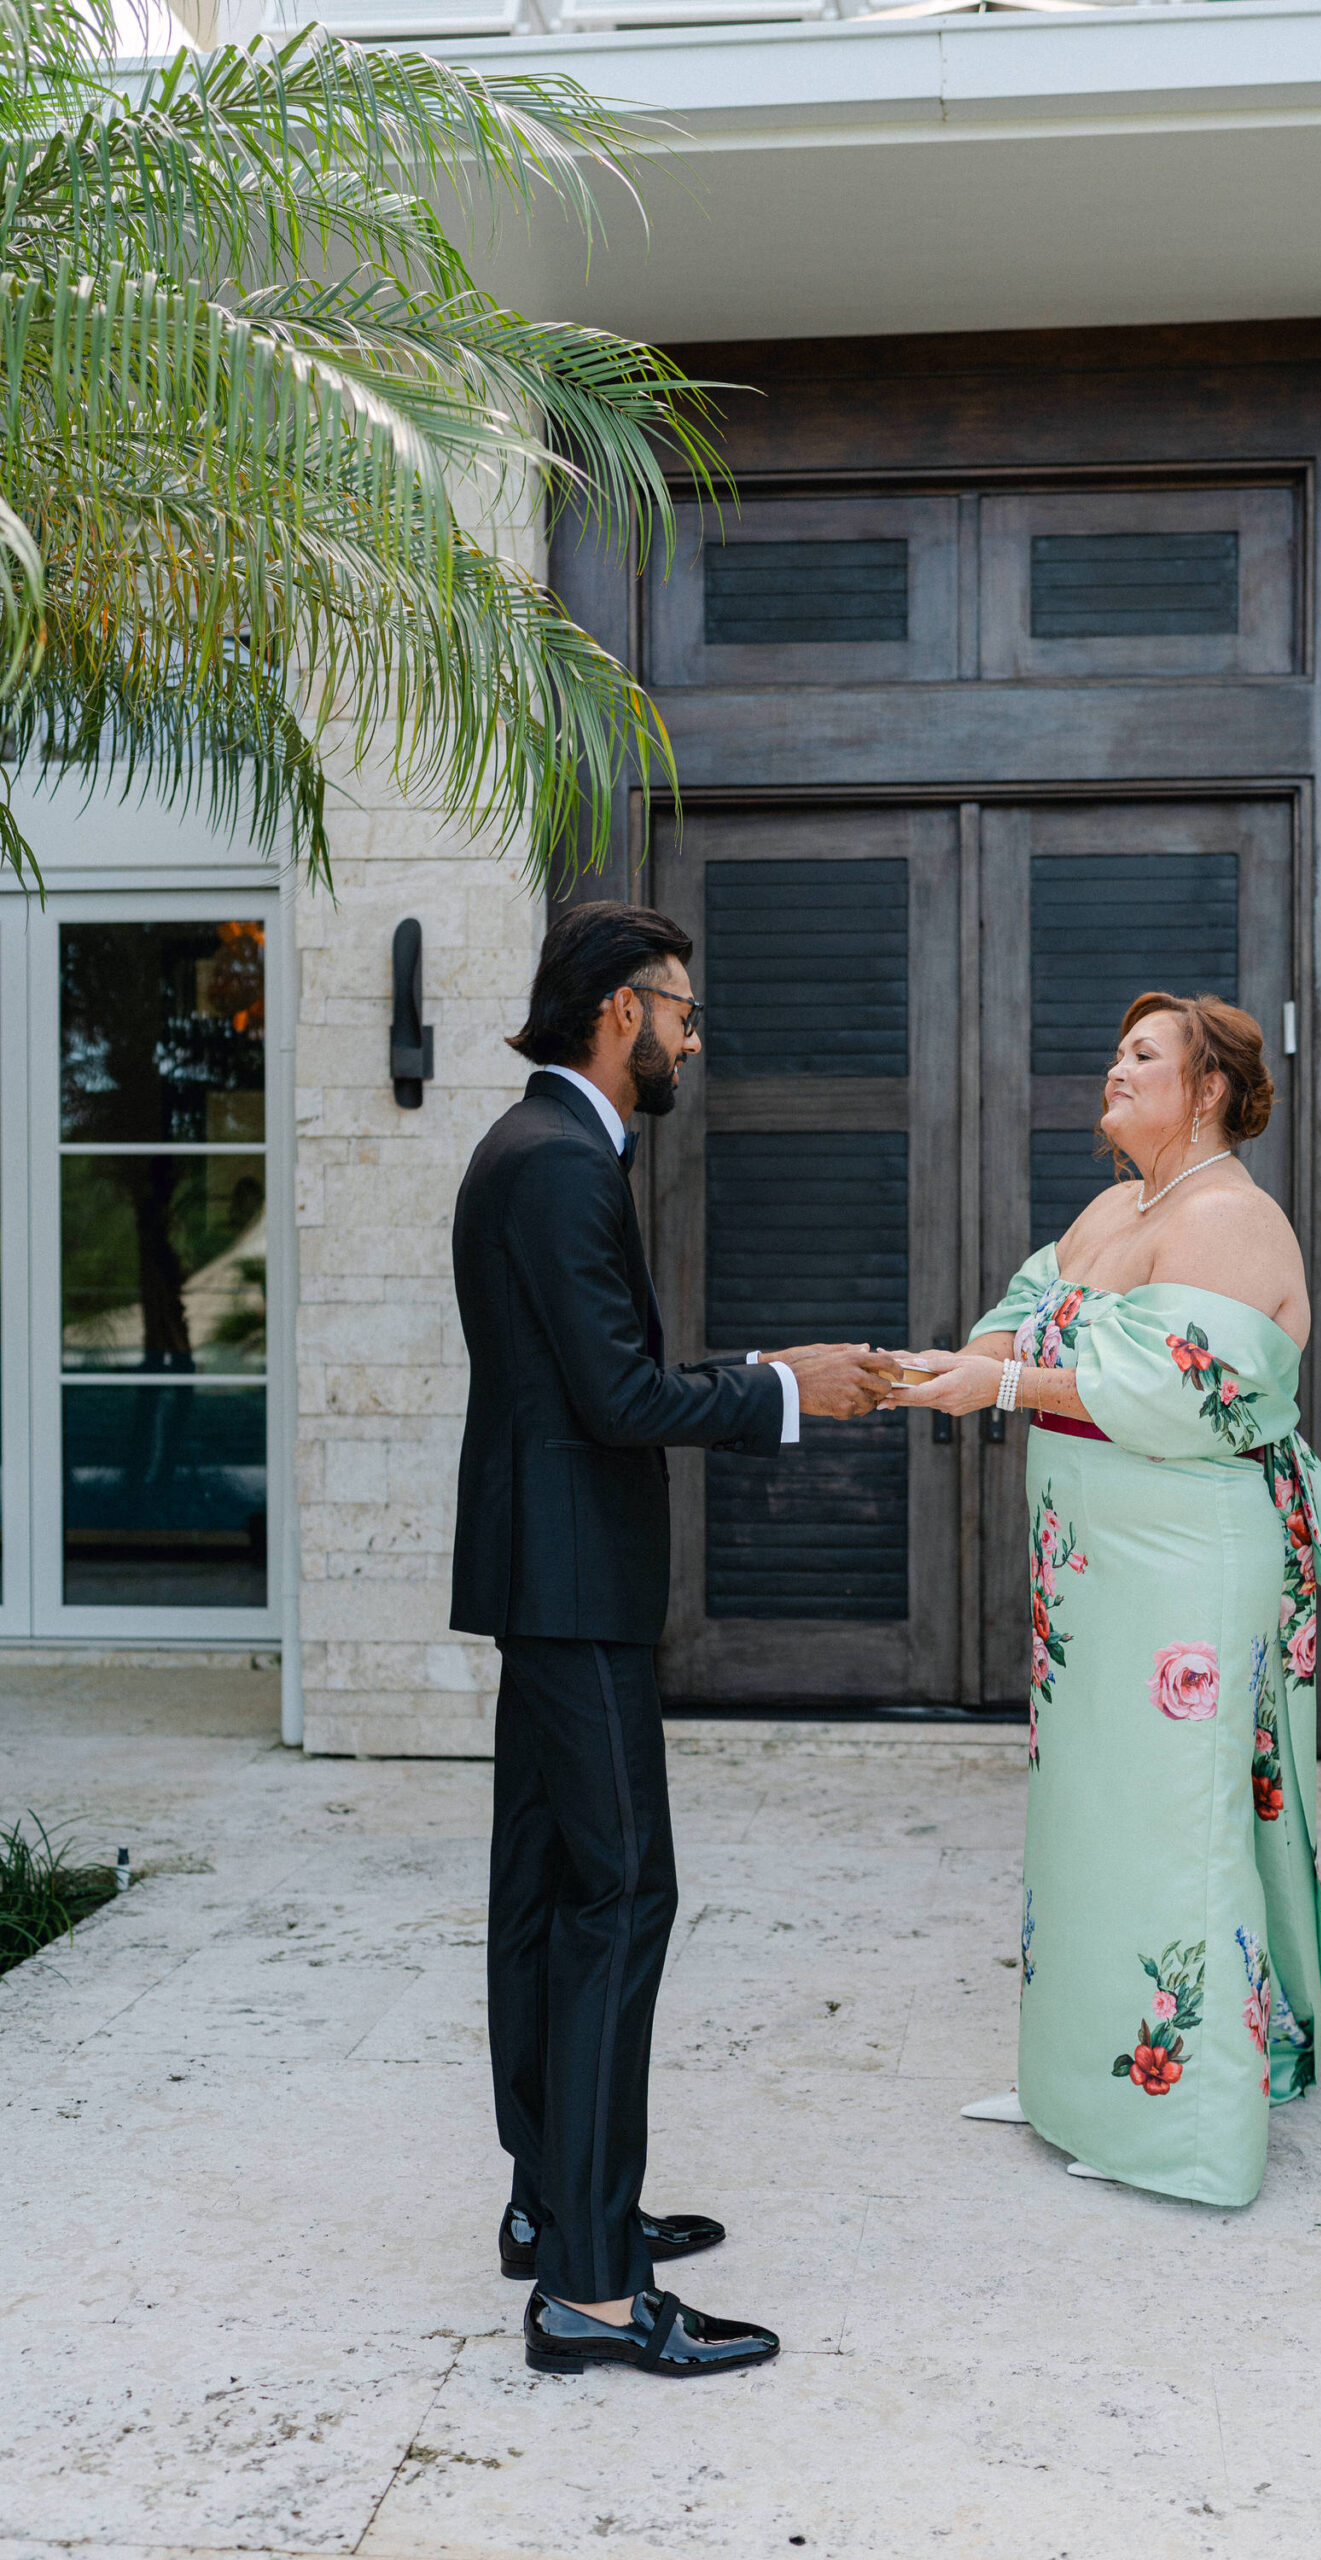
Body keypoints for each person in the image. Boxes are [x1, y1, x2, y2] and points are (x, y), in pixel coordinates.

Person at [450, 901, 893, 2377]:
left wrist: (764, 1367)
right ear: (616, 1008)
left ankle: (557, 2206)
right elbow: (619, 1400)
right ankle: (588, 2290)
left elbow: (594, 1378)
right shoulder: (559, 1162)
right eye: (683, 1014)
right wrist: (789, 1389)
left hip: (548, 1577)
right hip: (574, 1588)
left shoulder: (536, 1148)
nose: (694, 1041)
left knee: (548, 1895)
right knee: (623, 1896)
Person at [887, 991, 1321, 2207]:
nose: (1114, 1069)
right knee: (1088, 1817)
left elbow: (1173, 1392)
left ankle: (1185, 2135)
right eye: (1116, 1051)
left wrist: (1007, 1383)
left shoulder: (1230, 1217)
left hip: (1185, 1561)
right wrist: (965, 1366)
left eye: (1143, 1055)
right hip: (1091, 1570)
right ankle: (1074, 2082)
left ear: (1207, 1090)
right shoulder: (1117, 1206)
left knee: (1176, 1828)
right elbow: (1017, 1322)